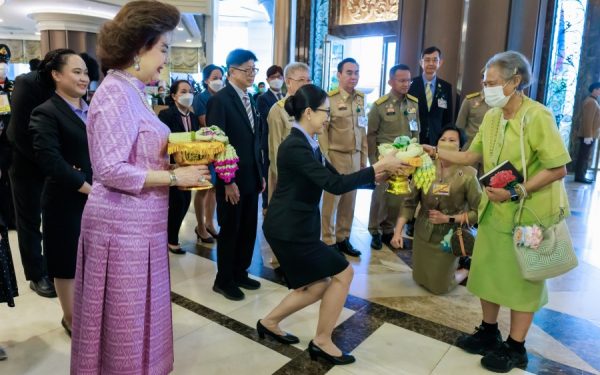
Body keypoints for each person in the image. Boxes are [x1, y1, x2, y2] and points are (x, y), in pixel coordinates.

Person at [70, 2, 209, 373]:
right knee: (124, 326)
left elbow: (143, 148)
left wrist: (192, 141)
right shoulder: (116, 93)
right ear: (139, 49)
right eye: (162, 48)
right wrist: (176, 178)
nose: (165, 58)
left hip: (141, 225)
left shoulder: (132, 92)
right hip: (120, 228)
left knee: (140, 317)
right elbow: (110, 169)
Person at [422, 51, 570, 373]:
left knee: (522, 280)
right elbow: (471, 155)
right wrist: (436, 150)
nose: (486, 88)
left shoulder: (537, 117)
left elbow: (558, 168)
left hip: (528, 215)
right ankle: (489, 332)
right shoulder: (492, 116)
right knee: (486, 273)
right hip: (495, 211)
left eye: (492, 83)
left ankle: (516, 347)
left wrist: (515, 191)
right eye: (484, 82)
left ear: (515, 82)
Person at [259, 84, 407, 365]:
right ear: (309, 112)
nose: (328, 116)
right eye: (325, 111)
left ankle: (269, 322)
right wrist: (379, 167)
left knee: (316, 286)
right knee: (343, 273)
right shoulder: (294, 146)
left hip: (298, 227)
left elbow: (338, 177)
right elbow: (334, 185)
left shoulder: (310, 142)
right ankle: (322, 340)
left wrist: (377, 178)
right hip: (287, 229)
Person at [29, 50, 91, 336]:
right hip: (66, 200)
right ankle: (70, 318)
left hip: (96, 197)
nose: (84, 78)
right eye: (76, 71)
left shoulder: (90, 108)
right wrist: (87, 186)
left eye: (86, 73)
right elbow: (50, 160)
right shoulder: (46, 111)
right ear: (56, 75)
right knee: (66, 261)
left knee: (90, 259)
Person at [390, 125, 480, 294]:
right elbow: (409, 202)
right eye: (442, 139)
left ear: (460, 147)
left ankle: (466, 269)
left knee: (440, 287)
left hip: (449, 236)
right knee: (419, 278)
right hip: (423, 231)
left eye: (452, 140)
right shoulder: (425, 168)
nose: (446, 143)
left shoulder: (468, 174)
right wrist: (397, 232)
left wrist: (448, 219)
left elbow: (478, 212)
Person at [206, 48, 264, 301]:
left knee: (249, 227)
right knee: (231, 227)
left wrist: (260, 173)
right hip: (231, 177)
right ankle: (224, 279)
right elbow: (217, 144)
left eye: (254, 69)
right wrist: (226, 181)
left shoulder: (250, 99)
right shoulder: (220, 100)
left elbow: (256, 141)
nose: (252, 74)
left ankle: (240, 271)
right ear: (232, 71)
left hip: (251, 175)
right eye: (247, 70)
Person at [7, 49, 56, 298]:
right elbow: (20, 133)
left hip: (51, 164)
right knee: (28, 220)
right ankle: (36, 275)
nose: (80, 78)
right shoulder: (27, 83)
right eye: (75, 71)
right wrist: (47, 163)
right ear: (55, 70)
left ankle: (52, 267)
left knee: (52, 219)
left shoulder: (65, 89)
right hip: (25, 162)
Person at [367, 64, 420, 250]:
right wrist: (374, 162)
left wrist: (416, 157)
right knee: (380, 195)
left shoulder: (413, 104)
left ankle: (389, 229)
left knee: (399, 196)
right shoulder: (379, 106)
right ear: (391, 81)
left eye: (409, 80)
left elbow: (416, 131)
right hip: (384, 158)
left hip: (406, 159)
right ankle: (374, 230)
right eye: (402, 80)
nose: (406, 84)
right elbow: (371, 135)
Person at [319, 58, 366, 257]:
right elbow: (322, 131)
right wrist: (326, 159)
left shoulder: (360, 99)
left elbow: (363, 129)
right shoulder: (329, 99)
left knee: (350, 200)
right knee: (332, 201)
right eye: (349, 72)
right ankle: (328, 240)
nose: (353, 77)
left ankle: (343, 238)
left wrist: (364, 159)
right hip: (336, 157)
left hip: (355, 156)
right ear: (339, 75)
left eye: (356, 72)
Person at [158, 80, 204, 253]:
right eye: (183, 91)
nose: (188, 95)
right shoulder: (166, 114)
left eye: (190, 91)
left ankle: (171, 236)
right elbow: (164, 140)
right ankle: (171, 239)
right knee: (177, 202)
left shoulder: (192, 117)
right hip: (173, 166)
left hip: (189, 166)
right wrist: (171, 162)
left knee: (185, 201)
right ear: (174, 96)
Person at [266, 62, 311, 204]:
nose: (306, 84)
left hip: (306, 171)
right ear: (288, 82)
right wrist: (281, 179)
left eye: (308, 80)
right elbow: (274, 149)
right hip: (286, 175)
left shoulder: (310, 109)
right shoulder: (278, 110)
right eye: (301, 80)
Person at [191, 65, 224, 242]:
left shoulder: (222, 97)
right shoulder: (201, 98)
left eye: (221, 77)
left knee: (214, 189)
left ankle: (210, 223)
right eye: (215, 77)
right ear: (206, 80)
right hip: (205, 149)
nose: (219, 80)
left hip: (219, 149)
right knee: (203, 189)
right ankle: (200, 226)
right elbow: (206, 123)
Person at [408, 46, 453, 145]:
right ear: (421, 62)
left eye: (435, 60)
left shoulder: (446, 87)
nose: (431, 63)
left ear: (440, 63)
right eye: (427, 60)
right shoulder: (411, 84)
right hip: (414, 137)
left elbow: (448, 117)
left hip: (437, 137)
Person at [257, 65, 284, 213]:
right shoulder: (263, 98)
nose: (277, 80)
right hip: (268, 142)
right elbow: (271, 118)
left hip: (284, 141)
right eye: (273, 77)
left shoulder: (286, 97)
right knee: (269, 174)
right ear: (267, 80)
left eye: (279, 77)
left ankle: (279, 206)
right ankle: (266, 207)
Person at [0, 45, 15, 230]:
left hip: (10, 142)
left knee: (10, 183)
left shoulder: (14, 87)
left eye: (4, 62)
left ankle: (11, 219)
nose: (2, 66)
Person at [574, 82, 600, 184]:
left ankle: (582, 175)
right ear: (595, 89)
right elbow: (588, 120)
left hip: (589, 134)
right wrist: (588, 136)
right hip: (588, 135)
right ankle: (580, 177)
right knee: (583, 157)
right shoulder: (591, 102)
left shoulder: (593, 101)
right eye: (599, 89)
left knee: (584, 156)